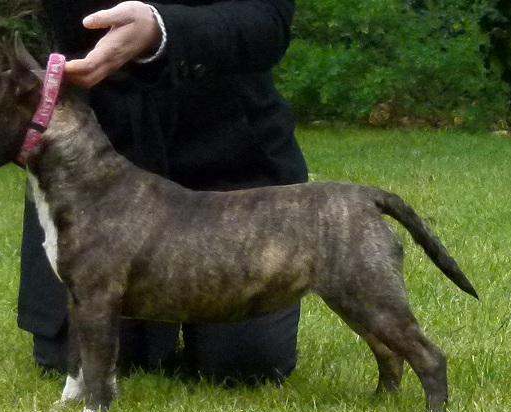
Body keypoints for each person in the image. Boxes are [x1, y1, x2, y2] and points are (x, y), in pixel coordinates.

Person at [18, 0, 308, 384]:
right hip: (102, 161)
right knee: (80, 356)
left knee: (246, 366)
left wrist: (160, 28)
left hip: (231, 156)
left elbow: (266, 22)